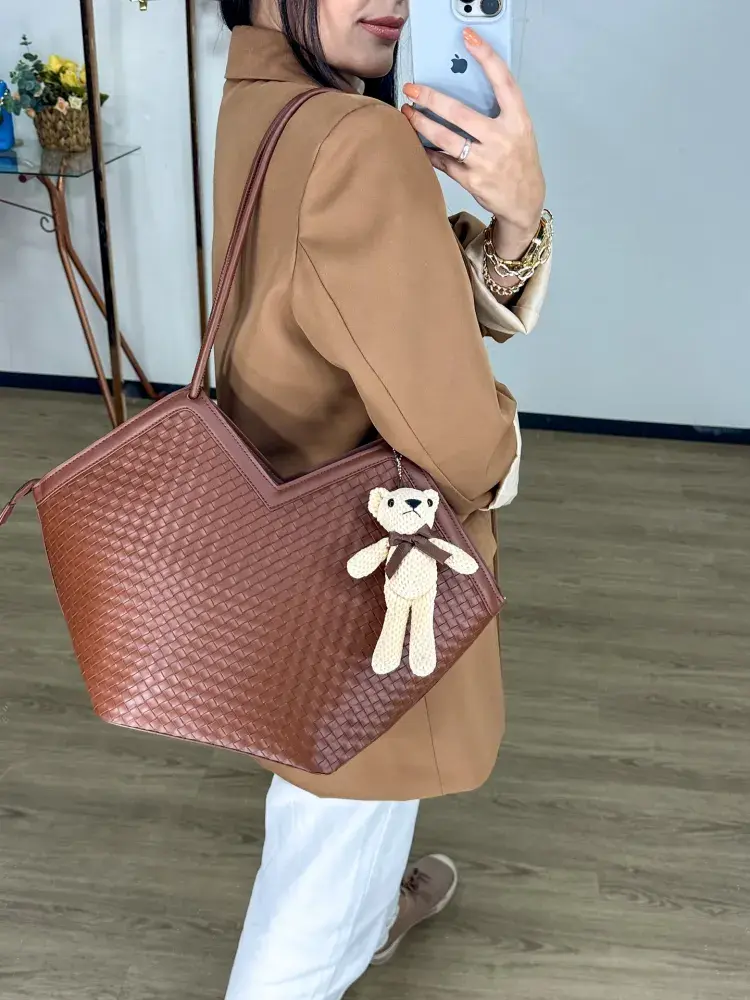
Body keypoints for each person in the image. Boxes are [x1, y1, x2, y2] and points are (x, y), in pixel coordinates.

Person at [213, 2, 551, 997]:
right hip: (369, 561)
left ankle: (367, 920)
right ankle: (336, 938)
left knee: (337, 796)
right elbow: (457, 441)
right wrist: (524, 214)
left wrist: (506, 226)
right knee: (330, 838)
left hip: (286, 525)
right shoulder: (358, 138)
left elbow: (344, 305)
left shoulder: (262, 97)